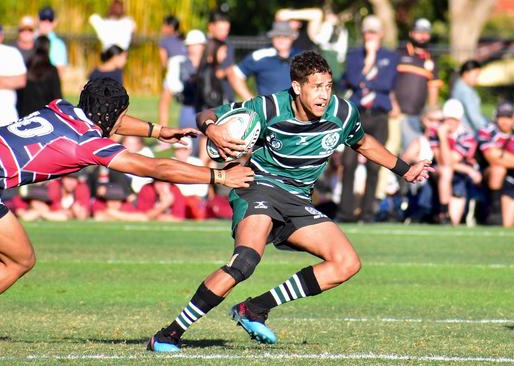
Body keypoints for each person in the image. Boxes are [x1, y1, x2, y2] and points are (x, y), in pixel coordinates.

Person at [0, 78, 254, 349]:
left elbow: (112, 121)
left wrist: (157, 129)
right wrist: (217, 174)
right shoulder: (88, 145)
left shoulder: (62, 107)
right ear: (113, 116)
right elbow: (154, 168)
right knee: (19, 259)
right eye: (121, 118)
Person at [147, 51, 433, 352]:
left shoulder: (343, 113)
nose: (324, 95)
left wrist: (404, 169)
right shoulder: (269, 106)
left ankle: (254, 309)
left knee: (346, 263)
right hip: (258, 187)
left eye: (328, 86)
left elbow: (362, 143)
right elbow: (206, 114)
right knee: (245, 261)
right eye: (316, 87)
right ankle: (168, 334)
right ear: (297, 87)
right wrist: (213, 129)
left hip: (298, 199)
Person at [338, 15, 398, 222]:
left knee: (375, 164)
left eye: (374, 32)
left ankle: (368, 212)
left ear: (380, 34)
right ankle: (346, 212)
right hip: (358, 114)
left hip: (379, 114)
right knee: (349, 162)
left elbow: (386, 83)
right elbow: (354, 80)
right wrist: (370, 61)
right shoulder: (355, 56)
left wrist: (366, 79)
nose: (370, 36)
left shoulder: (390, 57)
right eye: (367, 33)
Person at [429, 99, 481, 225]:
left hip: (458, 176)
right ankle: (444, 213)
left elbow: (450, 161)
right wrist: (442, 136)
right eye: (448, 119)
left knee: (455, 221)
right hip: (438, 171)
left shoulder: (466, 135)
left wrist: (443, 138)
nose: (451, 123)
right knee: (446, 171)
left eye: (454, 119)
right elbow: (443, 162)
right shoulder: (435, 131)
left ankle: (446, 214)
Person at [394, 18, 443, 150]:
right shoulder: (399, 53)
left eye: (425, 32)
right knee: (390, 151)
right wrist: (393, 105)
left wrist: (430, 115)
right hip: (395, 114)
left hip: (417, 116)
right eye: (419, 32)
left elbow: (433, 88)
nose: (422, 36)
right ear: (411, 33)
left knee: (410, 153)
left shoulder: (431, 59)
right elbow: (388, 81)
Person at [230, 21, 299, 101]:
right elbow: (235, 75)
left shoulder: (301, 55)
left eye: (285, 36)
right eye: (278, 36)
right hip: (269, 111)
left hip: (296, 110)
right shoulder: (259, 56)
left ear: (292, 37)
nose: (281, 40)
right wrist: (250, 101)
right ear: (272, 37)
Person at [401, 105, 443, 223]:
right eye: (433, 120)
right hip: (423, 183)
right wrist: (416, 160)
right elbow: (404, 159)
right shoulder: (420, 141)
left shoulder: (446, 140)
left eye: (440, 121)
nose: (437, 124)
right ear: (425, 121)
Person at [477, 101, 514, 227]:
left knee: (509, 224)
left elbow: (497, 155)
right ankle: (495, 212)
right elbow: (492, 158)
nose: (505, 121)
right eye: (501, 117)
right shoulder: (487, 131)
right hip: (490, 175)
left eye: (508, 117)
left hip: (511, 178)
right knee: (498, 169)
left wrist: (502, 155)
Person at [17, 35, 62, 118]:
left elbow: (19, 94)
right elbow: (57, 96)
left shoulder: (27, 66)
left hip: (26, 115)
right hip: (46, 116)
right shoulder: (51, 70)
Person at [450, 60, 489, 134]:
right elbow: (474, 117)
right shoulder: (465, 91)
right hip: (468, 132)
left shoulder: (459, 86)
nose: (477, 79)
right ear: (466, 74)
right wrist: (487, 130)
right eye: (476, 76)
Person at [207, 10, 235, 104]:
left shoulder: (228, 45)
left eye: (227, 30)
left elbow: (229, 68)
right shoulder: (203, 45)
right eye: (221, 30)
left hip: (225, 94)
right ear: (211, 27)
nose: (225, 33)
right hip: (207, 95)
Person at [37, 6, 68, 78]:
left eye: (50, 20)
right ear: (38, 20)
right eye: (43, 19)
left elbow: (60, 71)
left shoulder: (59, 45)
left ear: (55, 23)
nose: (46, 23)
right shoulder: (30, 39)